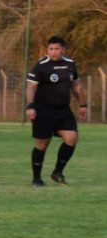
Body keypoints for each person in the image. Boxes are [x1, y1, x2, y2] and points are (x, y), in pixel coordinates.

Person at [26, 36, 87, 187]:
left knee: (72, 138)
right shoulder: (40, 66)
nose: (53, 52)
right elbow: (31, 87)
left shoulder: (70, 64)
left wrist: (82, 104)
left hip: (63, 110)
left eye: (57, 49)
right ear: (47, 50)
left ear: (63, 50)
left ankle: (57, 172)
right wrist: (30, 106)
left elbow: (76, 86)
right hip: (43, 110)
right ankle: (36, 179)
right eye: (51, 49)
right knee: (42, 143)